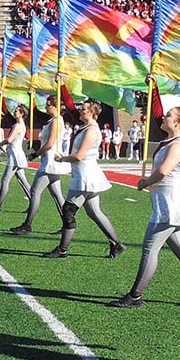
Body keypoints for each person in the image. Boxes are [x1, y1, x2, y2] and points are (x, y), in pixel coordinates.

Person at [108, 105, 180, 308]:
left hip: (170, 203)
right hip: (166, 201)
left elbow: (163, 171)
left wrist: (146, 182)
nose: (164, 117)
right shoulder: (171, 141)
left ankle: (135, 296)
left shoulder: (179, 144)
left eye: (169, 115)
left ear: (179, 121)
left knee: (149, 248)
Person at [43, 100, 124, 259]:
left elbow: (80, 156)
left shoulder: (92, 130)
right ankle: (116, 243)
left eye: (85, 109)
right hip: (84, 174)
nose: (81, 110)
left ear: (93, 112)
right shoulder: (86, 127)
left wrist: (63, 159)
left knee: (68, 210)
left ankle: (62, 249)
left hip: (86, 176)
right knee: (94, 212)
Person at [11, 95, 68, 235]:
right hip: (49, 161)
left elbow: (49, 144)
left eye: (48, 105)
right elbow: (36, 113)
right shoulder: (53, 120)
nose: (46, 107)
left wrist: (34, 154)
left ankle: (27, 225)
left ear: (54, 106)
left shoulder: (56, 121)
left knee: (35, 192)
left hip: (49, 162)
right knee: (57, 196)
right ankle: (68, 225)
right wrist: (32, 97)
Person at [0, 105, 31, 213]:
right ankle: (34, 203)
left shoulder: (18, 125)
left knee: (5, 180)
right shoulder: (20, 125)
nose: (14, 112)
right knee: (23, 181)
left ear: (22, 114)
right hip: (15, 154)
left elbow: (10, 139)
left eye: (17, 111)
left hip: (15, 155)